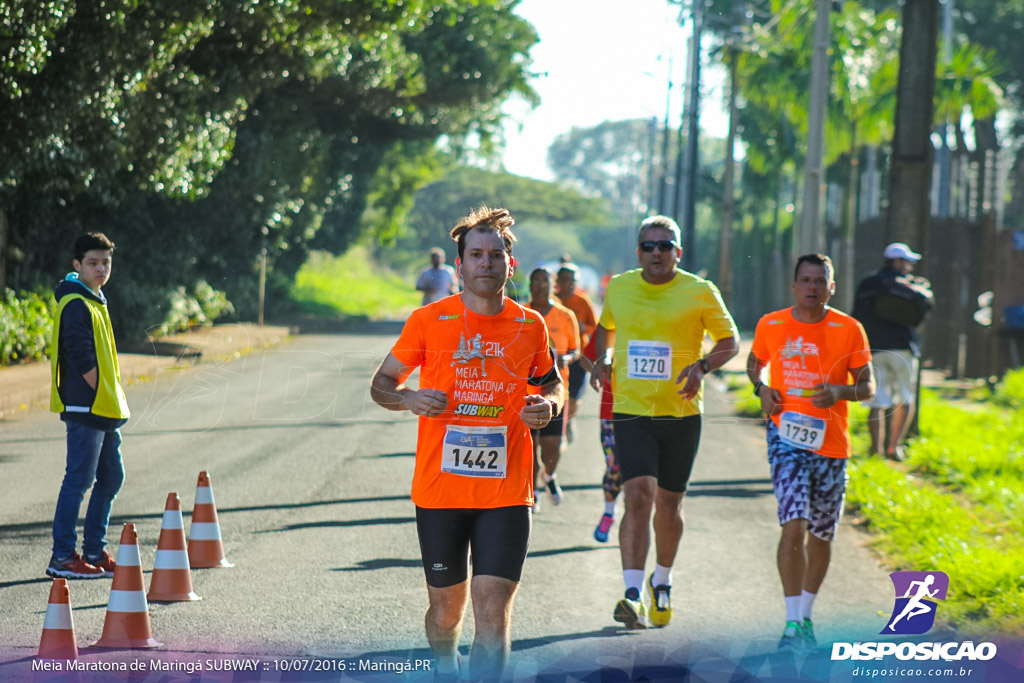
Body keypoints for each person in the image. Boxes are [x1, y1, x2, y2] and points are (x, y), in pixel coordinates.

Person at [370, 207, 564, 680]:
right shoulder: (428, 321)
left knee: (492, 609)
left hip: (506, 494)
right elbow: (381, 385)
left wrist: (550, 407)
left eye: (495, 255)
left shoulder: (529, 326)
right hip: (440, 493)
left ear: (509, 266)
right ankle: (444, 668)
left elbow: (553, 384)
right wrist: (410, 397)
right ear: (460, 265)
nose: (485, 263)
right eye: (476, 254)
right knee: (446, 612)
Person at [590, 215, 739, 629]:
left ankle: (663, 579)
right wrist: (604, 357)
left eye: (665, 245)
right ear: (638, 252)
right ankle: (633, 593)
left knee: (669, 504)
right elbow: (606, 329)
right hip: (632, 408)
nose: (657, 252)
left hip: (681, 413)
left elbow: (731, 342)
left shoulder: (700, 291)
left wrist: (702, 366)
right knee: (637, 494)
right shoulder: (620, 287)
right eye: (649, 246)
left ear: (678, 251)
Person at [747, 253, 875, 650]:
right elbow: (755, 364)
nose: (812, 287)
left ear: (831, 287)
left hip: (831, 445)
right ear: (794, 285)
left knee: (821, 533)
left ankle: (806, 614)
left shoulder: (849, 329)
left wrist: (840, 391)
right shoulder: (771, 323)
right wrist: (761, 388)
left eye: (820, 281)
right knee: (794, 522)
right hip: (786, 437)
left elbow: (868, 388)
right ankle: (790, 622)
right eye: (805, 279)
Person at [47, 232, 130, 580]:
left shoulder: (95, 299)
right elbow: (81, 356)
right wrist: (99, 395)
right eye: (93, 263)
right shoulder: (77, 303)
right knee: (79, 480)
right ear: (77, 265)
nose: (100, 268)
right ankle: (63, 556)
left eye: (105, 262)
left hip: (103, 407)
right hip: (88, 407)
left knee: (111, 477)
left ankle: (94, 551)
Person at [851, 242, 933, 461]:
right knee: (905, 397)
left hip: (874, 349)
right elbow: (926, 306)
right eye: (907, 262)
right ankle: (894, 448)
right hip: (903, 349)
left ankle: (875, 450)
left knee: (876, 400)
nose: (909, 267)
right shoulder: (911, 286)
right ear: (897, 261)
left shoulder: (869, 283)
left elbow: (855, 315)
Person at [527, 268, 580, 508]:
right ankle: (533, 491)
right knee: (529, 446)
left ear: (553, 285)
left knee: (552, 447)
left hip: (555, 391)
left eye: (544, 280)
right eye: (534, 280)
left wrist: (566, 360)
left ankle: (548, 476)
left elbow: (575, 350)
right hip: (525, 391)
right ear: (529, 285)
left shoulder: (565, 316)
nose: (539, 285)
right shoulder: (521, 313)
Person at [579, 334, 622, 543]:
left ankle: (635, 520)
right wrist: (599, 368)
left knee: (642, 475)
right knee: (614, 467)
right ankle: (609, 512)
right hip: (612, 412)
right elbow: (585, 357)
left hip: (652, 412)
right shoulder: (610, 322)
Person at [555, 263, 597, 443]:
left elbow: (595, 327)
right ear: (558, 281)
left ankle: (568, 421)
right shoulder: (552, 300)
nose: (570, 284)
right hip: (557, 356)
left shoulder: (582, 301)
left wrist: (583, 327)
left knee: (573, 398)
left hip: (578, 356)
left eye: (573, 281)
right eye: (566, 280)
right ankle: (557, 425)